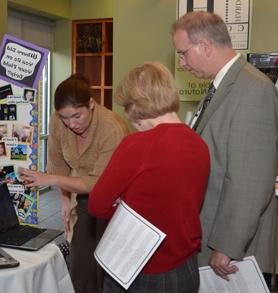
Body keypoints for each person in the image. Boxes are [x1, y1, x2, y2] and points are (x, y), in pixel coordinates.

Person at [172, 11, 278, 280]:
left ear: (205, 46)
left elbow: (250, 180)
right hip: (210, 231)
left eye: (183, 53)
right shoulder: (221, 87)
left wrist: (227, 245)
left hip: (230, 247)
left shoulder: (253, 89)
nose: (181, 62)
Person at [89, 62, 210, 292]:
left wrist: (122, 204)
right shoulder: (199, 143)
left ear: (136, 107)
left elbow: (97, 204)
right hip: (186, 267)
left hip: (140, 268)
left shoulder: (137, 144)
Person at [19, 74, 129, 293]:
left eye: (77, 116)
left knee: (107, 269)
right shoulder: (59, 121)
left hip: (117, 203)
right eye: (65, 118)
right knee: (80, 267)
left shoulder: (112, 128)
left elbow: (97, 183)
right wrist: (65, 199)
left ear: (91, 104)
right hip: (85, 198)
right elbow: (58, 162)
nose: (71, 124)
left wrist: (49, 179)